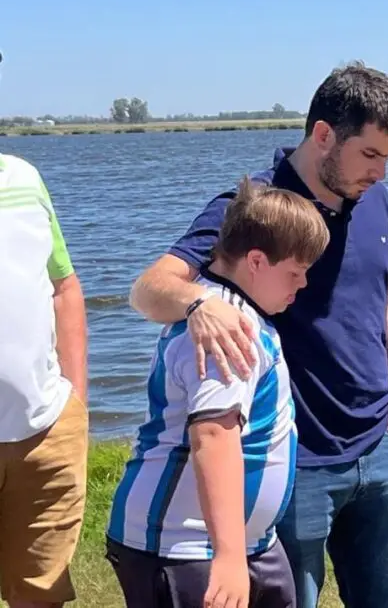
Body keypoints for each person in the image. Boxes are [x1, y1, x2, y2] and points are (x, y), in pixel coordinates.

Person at [128, 61, 388, 608]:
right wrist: (199, 303)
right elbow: (149, 289)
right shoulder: (253, 208)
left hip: (382, 445)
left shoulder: (376, 200)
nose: (381, 173)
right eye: (370, 154)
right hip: (295, 460)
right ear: (324, 135)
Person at [107, 180, 330, 608]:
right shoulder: (226, 328)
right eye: (295, 272)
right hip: (184, 547)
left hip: (243, 543)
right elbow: (213, 436)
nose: (303, 284)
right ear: (257, 261)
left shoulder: (236, 313)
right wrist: (228, 558)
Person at [0, 153, 88, 608]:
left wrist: (76, 402)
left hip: (47, 431)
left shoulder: (25, 177)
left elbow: (63, 287)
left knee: (40, 597)